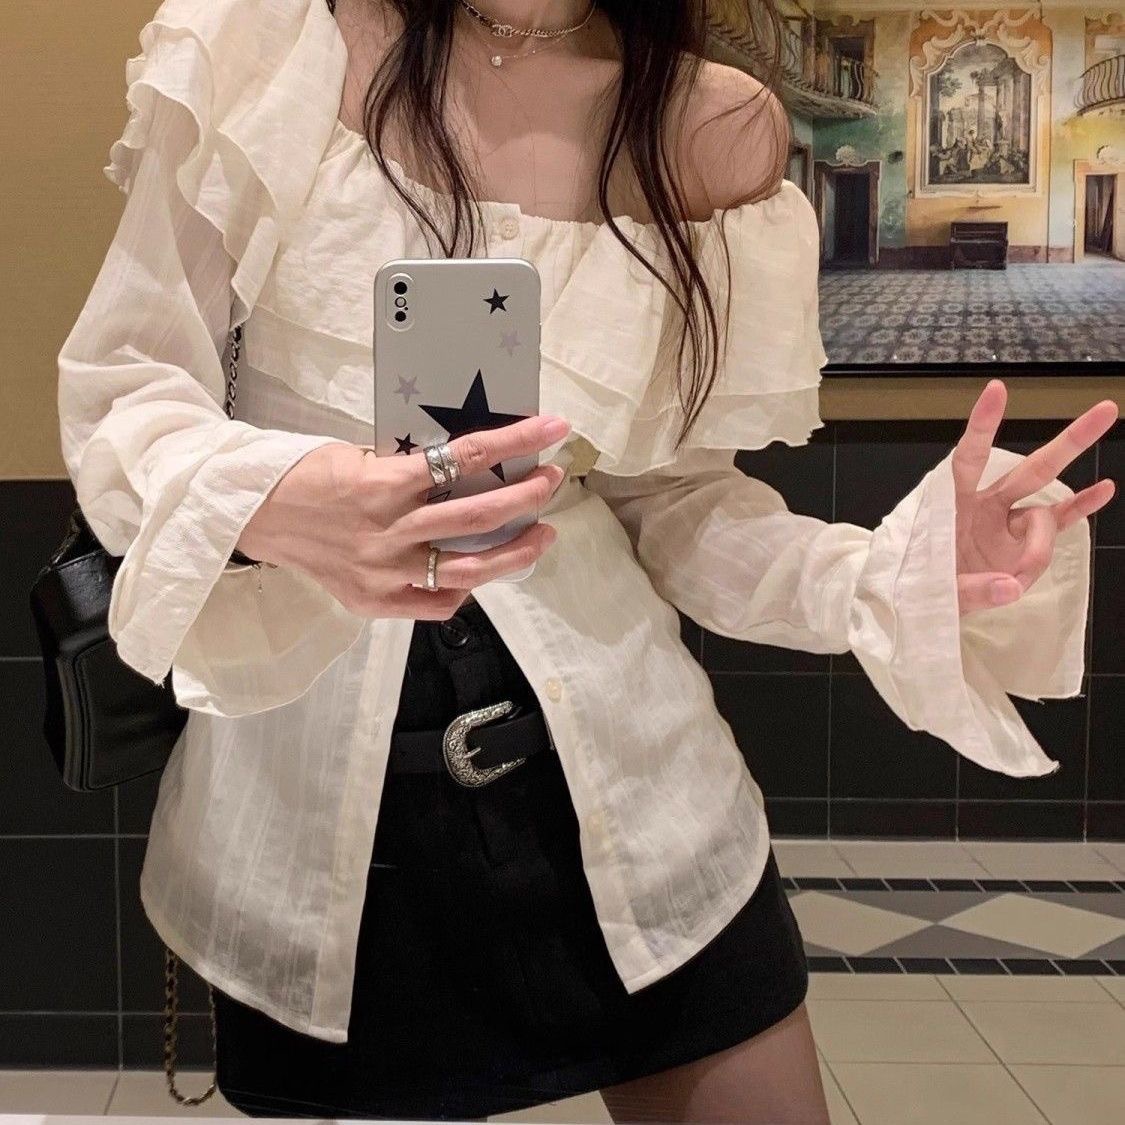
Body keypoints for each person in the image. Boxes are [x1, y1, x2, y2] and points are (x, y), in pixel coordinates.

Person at [56, 0, 1116, 1121]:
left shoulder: (708, 123)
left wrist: (879, 577)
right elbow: (125, 391)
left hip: (640, 796)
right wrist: (274, 499)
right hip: (312, 830)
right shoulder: (267, 42)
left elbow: (676, 500)